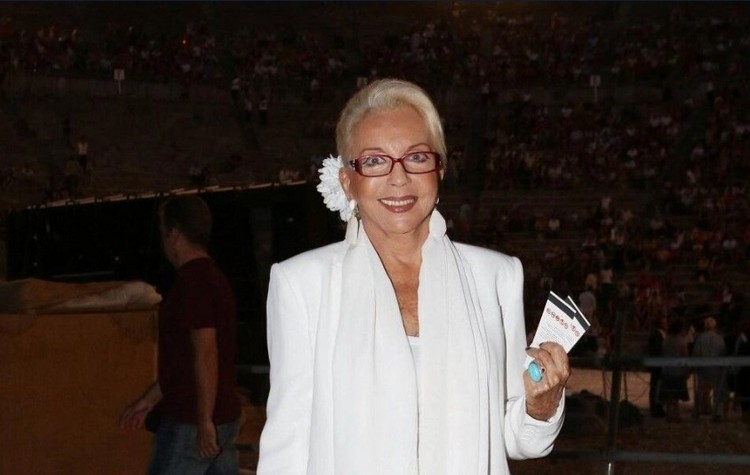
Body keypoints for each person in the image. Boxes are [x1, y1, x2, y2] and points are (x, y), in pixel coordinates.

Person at [257, 79, 569, 475]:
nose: (399, 177)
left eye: (417, 157)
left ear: (440, 169)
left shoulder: (496, 277)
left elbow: (513, 438)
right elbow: (286, 446)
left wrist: (541, 406)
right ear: (347, 180)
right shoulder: (301, 285)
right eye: (375, 161)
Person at [120, 195, 242, 475]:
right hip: (220, 417)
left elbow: (205, 353)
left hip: (191, 422)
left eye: (163, 231)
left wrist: (204, 420)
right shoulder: (214, 278)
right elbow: (184, 363)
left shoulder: (193, 284)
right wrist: (149, 400)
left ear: (174, 235)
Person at [691, 316, 726, 420]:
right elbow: (723, 353)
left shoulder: (700, 339)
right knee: (719, 389)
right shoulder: (719, 339)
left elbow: (696, 354)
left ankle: (698, 409)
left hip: (703, 370)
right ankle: (718, 412)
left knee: (700, 388)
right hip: (716, 370)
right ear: (715, 327)